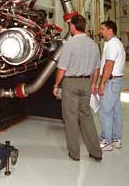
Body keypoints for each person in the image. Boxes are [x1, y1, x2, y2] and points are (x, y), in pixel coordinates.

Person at [52, 14, 102, 161]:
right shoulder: (93, 44)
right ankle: (96, 152)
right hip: (86, 83)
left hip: (71, 84)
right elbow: (97, 68)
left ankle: (74, 153)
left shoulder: (70, 44)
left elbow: (61, 69)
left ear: (72, 26)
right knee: (86, 116)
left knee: (71, 118)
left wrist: (56, 85)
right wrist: (93, 83)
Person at [98, 20, 126, 151]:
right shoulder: (116, 43)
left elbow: (109, 65)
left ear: (110, 30)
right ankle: (116, 140)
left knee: (104, 111)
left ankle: (106, 141)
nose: (100, 31)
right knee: (115, 112)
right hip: (117, 80)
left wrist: (102, 83)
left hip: (111, 81)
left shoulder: (112, 45)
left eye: (102, 29)